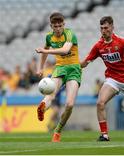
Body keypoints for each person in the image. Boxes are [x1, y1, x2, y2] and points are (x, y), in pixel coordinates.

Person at [35, 12, 81, 142]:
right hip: (60, 68)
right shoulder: (49, 37)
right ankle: (43, 107)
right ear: (51, 26)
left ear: (64, 24)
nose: (58, 29)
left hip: (74, 69)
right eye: (55, 26)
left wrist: (46, 51)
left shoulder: (69, 33)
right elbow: (44, 50)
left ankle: (57, 131)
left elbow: (65, 50)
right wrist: (40, 68)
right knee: (50, 94)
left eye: (60, 26)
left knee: (70, 104)